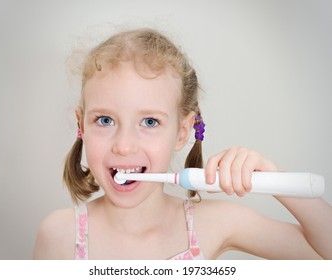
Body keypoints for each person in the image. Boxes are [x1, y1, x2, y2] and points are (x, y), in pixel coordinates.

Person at [33, 28, 332, 260]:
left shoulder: (214, 224)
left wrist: (275, 179)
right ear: (81, 124)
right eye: (105, 120)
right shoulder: (58, 235)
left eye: (150, 122)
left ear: (182, 132)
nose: (123, 146)